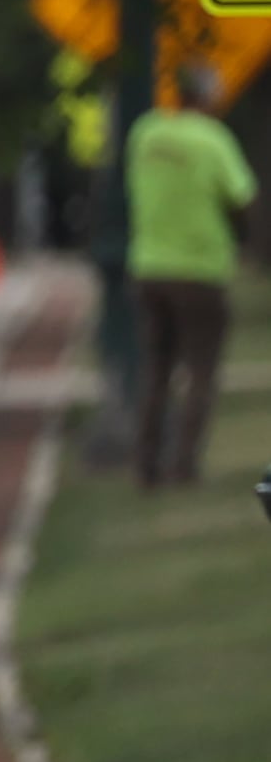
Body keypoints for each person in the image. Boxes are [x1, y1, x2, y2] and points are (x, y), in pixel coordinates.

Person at [127, 57, 257, 487]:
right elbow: (242, 198)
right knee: (201, 372)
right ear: (207, 96)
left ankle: (147, 464)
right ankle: (183, 466)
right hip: (200, 269)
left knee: (156, 369)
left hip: (148, 266)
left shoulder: (144, 133)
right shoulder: (212, 139)